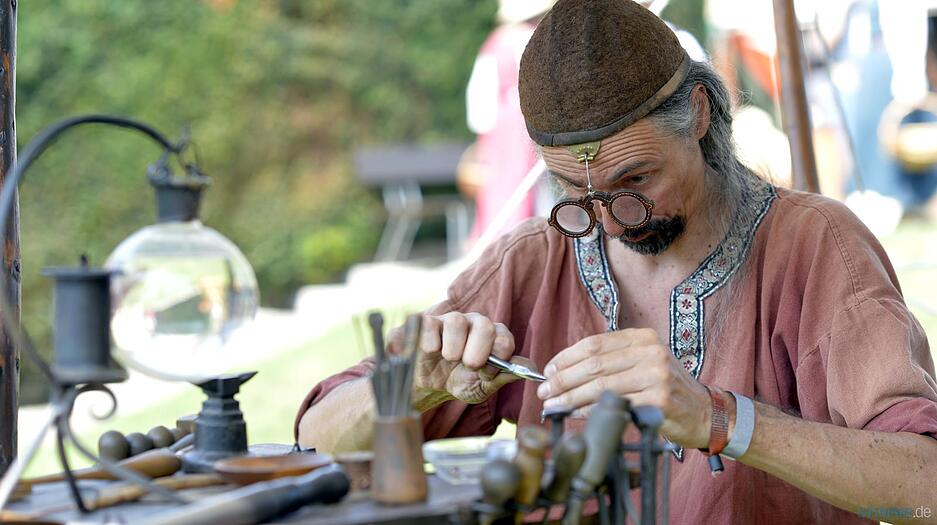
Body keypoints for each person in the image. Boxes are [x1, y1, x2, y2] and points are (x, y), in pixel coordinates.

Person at [297, 1, 937, 523]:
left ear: (699, 116)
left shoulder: (815, 247)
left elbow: (925, 486)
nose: (608, 219)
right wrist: (416, 385)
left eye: (636, 177)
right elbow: (313, 443)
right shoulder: (536, 262)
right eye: (576, 195)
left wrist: (720, 417)